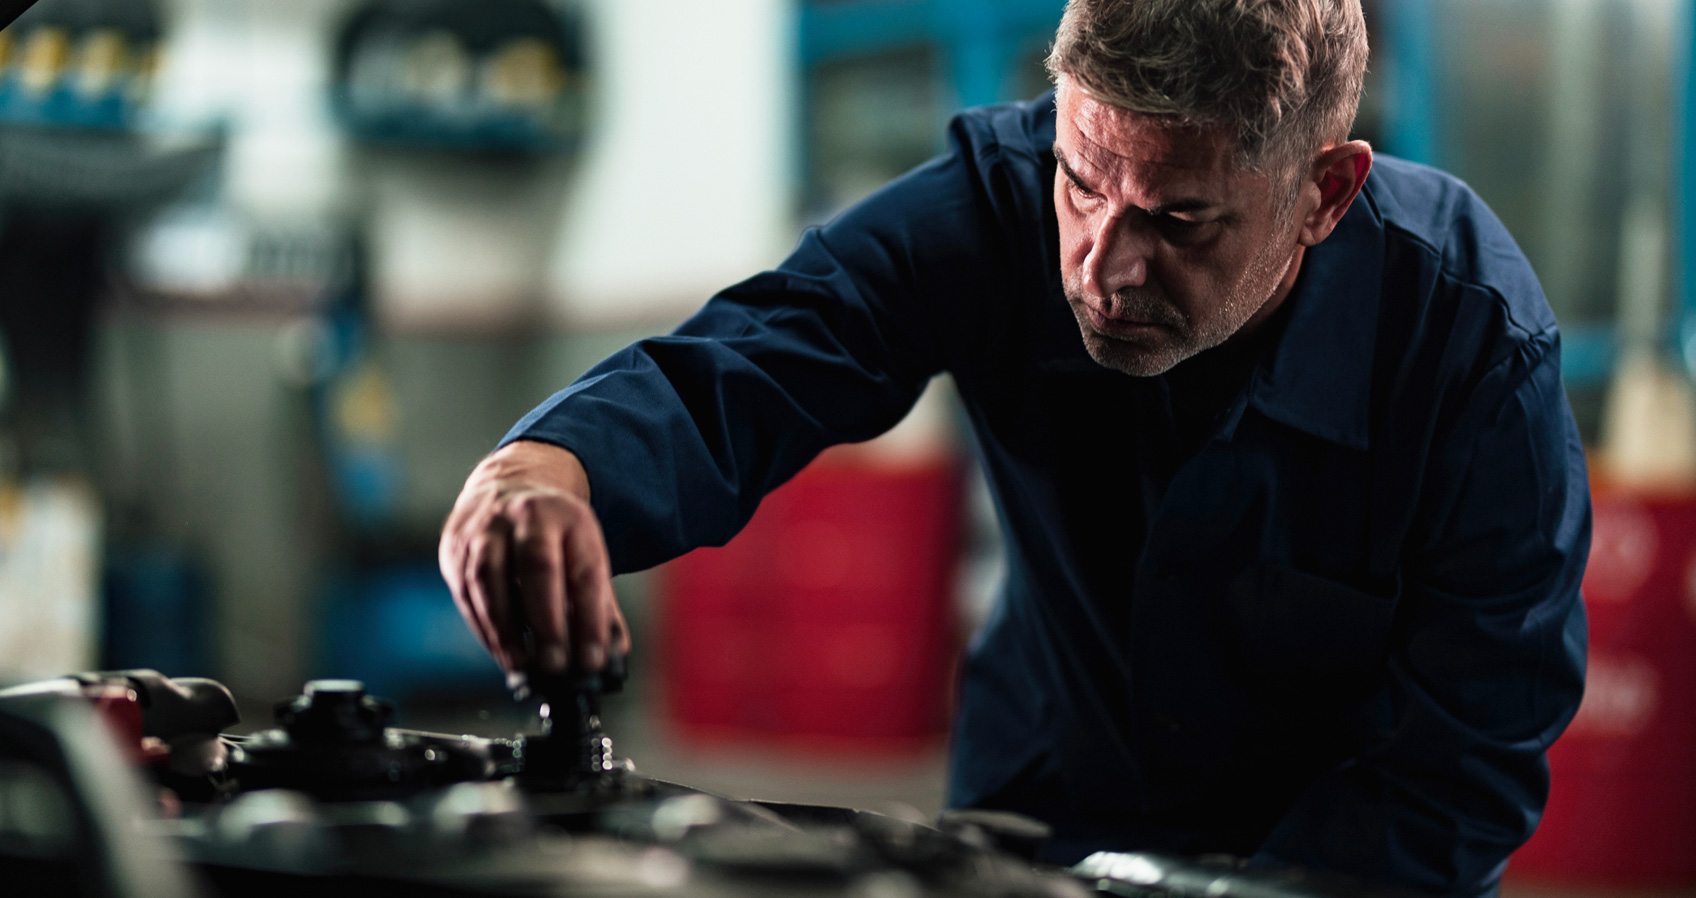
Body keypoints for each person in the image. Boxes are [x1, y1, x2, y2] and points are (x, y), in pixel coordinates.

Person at [438, 1, 1590, 894]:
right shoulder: (994, 203)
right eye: (1083, 182)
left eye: (1179, 219)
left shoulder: (1469, 346)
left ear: (1324, 192)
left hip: (1344, 865)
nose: (1104, 263)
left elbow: (1462, 755)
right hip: (1039, 811)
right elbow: (776, 345)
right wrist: (553, 464)